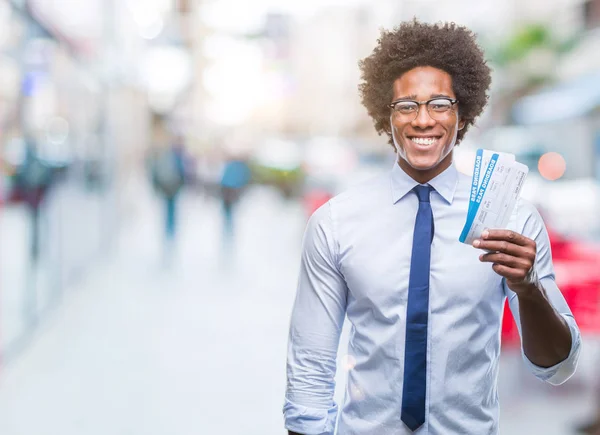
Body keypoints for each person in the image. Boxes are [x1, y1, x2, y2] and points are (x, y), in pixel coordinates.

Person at [283, 20, 581, 435]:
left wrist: (528, 288)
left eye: (440, 103)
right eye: (407, 105)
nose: (423, 120)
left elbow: (558, 367)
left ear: (463, 112)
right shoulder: (335, 223)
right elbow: (311, 364)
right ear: (385, 115)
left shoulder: (512, 221)